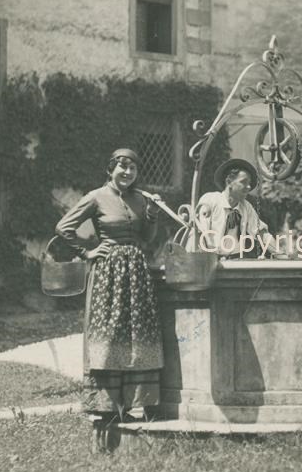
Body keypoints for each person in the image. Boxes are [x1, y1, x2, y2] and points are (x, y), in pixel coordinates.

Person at [55, 148, 164, 448]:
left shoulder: (141, 199)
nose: (127, 173)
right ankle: (109, 408)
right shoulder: (96, 197)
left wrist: (152, 217)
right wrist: (87, 251)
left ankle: (140, 403)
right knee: (111, 334)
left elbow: (147, 238)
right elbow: (63, 228)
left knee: (138, 335)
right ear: (110, 169)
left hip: (137, 274)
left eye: (132, 168)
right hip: (109, 275)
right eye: (122, 167)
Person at [187, 158, 285, 258]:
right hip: (205, 258)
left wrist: (281, 255)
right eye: (243, 182)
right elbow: (200, 234)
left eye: (249, 183)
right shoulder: (211, 200)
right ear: (229, 182)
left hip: (234, 260)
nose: (248, 187)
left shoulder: (246, 207)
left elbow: (262, 234)